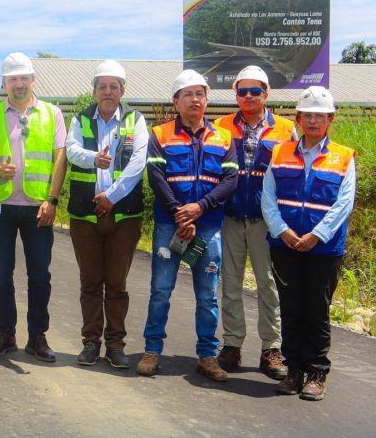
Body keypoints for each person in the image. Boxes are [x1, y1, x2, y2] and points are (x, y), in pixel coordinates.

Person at [138, 69, 237, 382]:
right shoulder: (161, 135)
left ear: (207, 100)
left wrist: (200, 208)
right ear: (176, 101)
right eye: (188, 94)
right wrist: (179, 212)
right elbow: (156, 176)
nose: (195, 99)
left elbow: (231, 179)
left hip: (207, 229)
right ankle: (152, 350)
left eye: (200, 94)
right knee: (160, 290)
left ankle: (207, 356)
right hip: (170, 226)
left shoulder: (223, 137)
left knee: (207, 295)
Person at [261, 86, 355, 401]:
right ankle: (294, 372)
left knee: (316, 311)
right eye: (308, 115)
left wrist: (317, 235)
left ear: (330, 119)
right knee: (290, 308)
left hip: (324, 249)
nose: (313, 121)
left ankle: (316, 374)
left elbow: (344, 203)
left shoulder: (344, 156)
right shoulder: (280, 152)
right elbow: (268, 198)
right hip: (284, 245)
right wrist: (282, 231)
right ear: (298, 119)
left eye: (320, 116)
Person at [0, 52, 67, 362]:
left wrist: (52, 200)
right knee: (1, 275)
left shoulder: (52, 114)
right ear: (4, 83)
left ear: (33, 80)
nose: (19, 83)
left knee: (40, 275)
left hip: (38, 207)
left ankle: (37, 337)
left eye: (24, 78)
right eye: (13, 79)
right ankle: (6, 334)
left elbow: (59, 159)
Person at [213, 65, 296, 379]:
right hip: (230, 217)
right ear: (235, 94)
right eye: (243, 91)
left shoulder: (287, 129)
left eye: (255, 91)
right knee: (231, 283)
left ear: (267, 93)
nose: (249, 96)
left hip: (267, 221)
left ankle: (271, 349)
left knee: (268, 285)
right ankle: (232, 345)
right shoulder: (220, 126)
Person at [65, 60, 148, 369]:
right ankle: (90, 342)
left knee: (116, 284)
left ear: (122, 91)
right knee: (90, 282)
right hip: (85, 217)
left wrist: (111, 197)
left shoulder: (136, 120)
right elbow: (71, 150)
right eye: (103, 86)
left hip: (123, 215)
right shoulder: (81, 119)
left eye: (114, 86)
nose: (108, 91)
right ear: (94, 91)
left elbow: (138, 163)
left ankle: (115, 344)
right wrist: (92, 159)